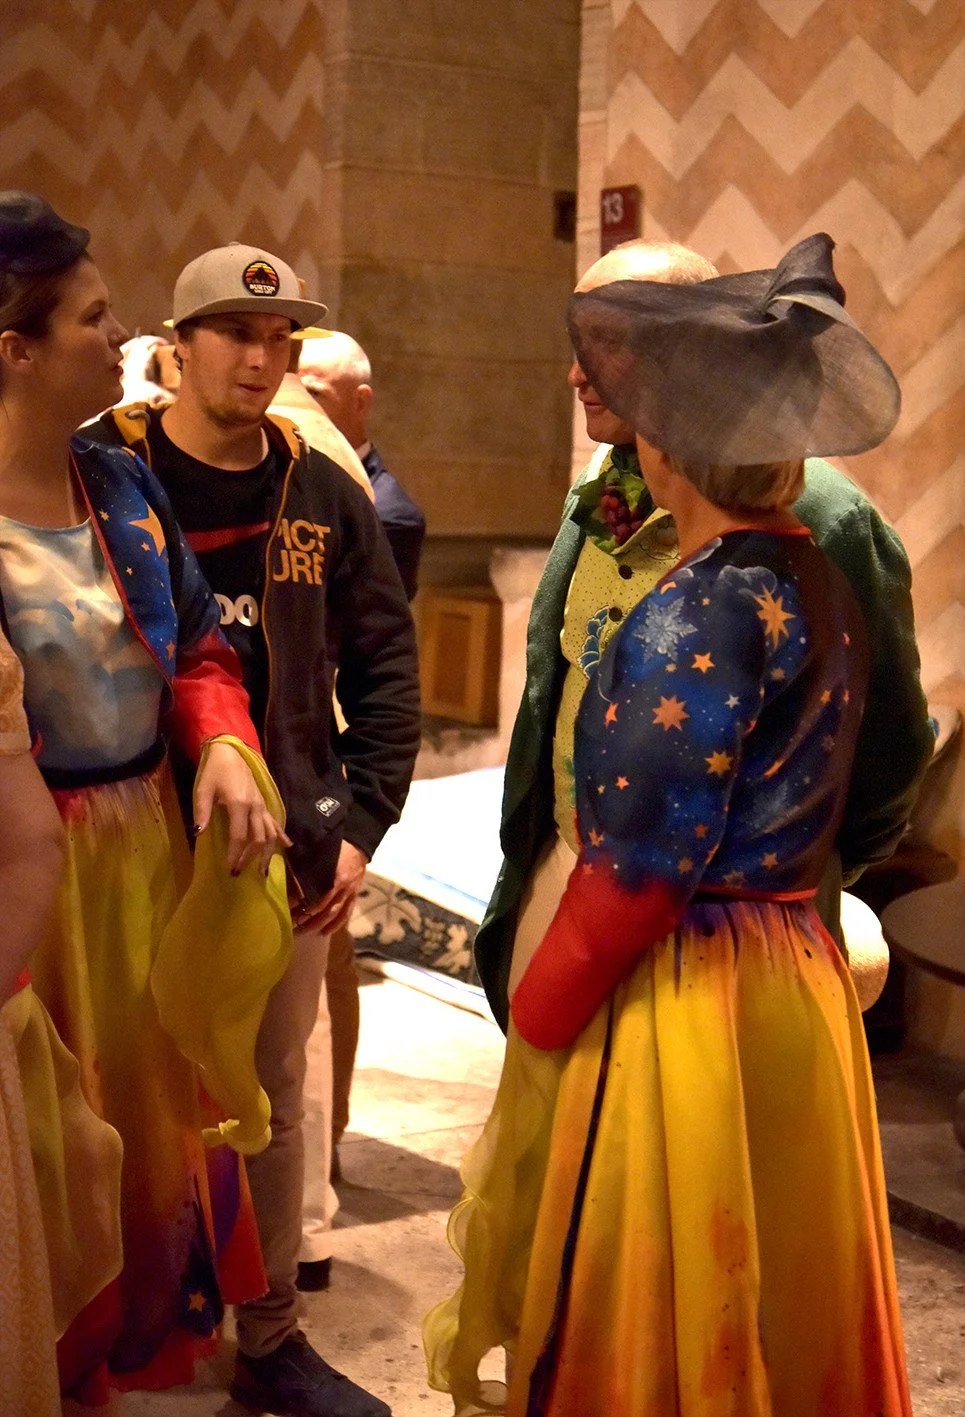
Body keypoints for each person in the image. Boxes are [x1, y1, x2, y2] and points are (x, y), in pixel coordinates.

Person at [425, 233, 913, 1416]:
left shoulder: (693, 605)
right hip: (790, 979)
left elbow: (643, 867)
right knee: (786, 1276)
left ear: (670, 438)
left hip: (687, 984)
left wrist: (542, 1013)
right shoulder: (811, 580)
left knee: (666, 1278)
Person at [90, 242, 421, 1417]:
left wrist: (360, 819)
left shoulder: (319, 485)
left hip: (280, 841)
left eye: (278, 337)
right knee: (122, 1085)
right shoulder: (107, 470)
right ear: (178, 346)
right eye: (235, 331)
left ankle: (271, 1333)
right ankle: (117, 1322)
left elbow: (385, 663)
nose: (260, 356)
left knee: (269, 1091)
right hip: (128, 830)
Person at [473, 238, 932, 1031]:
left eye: (606, 343)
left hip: (710, 926)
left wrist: (803, 866)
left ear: (686, 358)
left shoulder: (820, 517)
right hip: (572, 875)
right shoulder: (601, 485)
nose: (577, 372)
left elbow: (888, 736)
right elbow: (555, 679)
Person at [0, 192, 290, 1400]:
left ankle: (144, 1342)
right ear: (15, 351)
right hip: (30, 868)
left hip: (146, 847)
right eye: (92, 316)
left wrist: (219, 740)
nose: (120, 337)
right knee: (52, 1136)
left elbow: (201, 652)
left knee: (150, 1120)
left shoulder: (120, 481)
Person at [295, 329, 426, 1260]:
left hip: (325, 757)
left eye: (311, 383)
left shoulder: (384, 507)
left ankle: (324, 1148)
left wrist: (357, 809)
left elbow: (370, 652)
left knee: (326, 968)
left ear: (358, 399)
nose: (293, 395)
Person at [299, 331, 426, 600]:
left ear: (360, 402)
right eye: (288, 390)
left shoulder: (388, 514)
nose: (294, 405)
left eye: (312, 393)